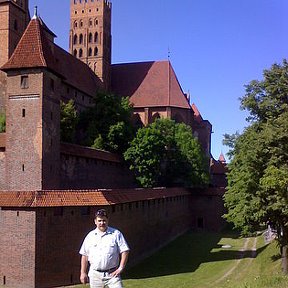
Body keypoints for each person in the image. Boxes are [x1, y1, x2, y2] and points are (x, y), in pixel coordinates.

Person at [79, 208, 130, 288]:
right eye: (99, 221)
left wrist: (121, 268)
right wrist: (83, 273)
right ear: (95, 221)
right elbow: (84, 256)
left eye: (104, 220)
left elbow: (125, 250)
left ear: (107, 221)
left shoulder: (116, 234)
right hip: (95, 275)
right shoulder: (90, 236)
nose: (102, 223)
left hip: (112, 275)